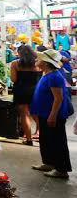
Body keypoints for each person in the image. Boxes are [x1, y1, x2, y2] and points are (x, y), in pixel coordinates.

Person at [30, 49, 72, 178]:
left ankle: (61, 169)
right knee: (46, 139)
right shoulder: (46, 74)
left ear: (46, 63)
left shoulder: (55, 76)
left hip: (53, 115)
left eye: (39, 59)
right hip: (44, 114)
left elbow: (58, 98)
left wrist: (53, 115)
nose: (36, 60)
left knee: (57, 141)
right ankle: (49, 162)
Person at [10, 45, 41, 145]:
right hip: (36, 91)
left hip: (21, 91)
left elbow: (14, 79)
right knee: (36, 114)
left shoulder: (15, 64)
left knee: (24, 115)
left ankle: (29, 139)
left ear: (20, 53)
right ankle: (42, 136)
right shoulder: (38, 63)